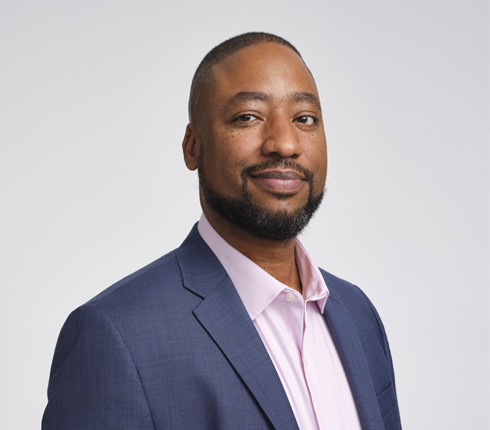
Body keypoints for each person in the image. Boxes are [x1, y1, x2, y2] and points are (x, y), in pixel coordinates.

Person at [42, 32, 402, 430]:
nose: (284, 143)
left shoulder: (358, 315)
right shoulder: (115, 337)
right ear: (192, 146)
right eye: (248, 116)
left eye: (304, 119)